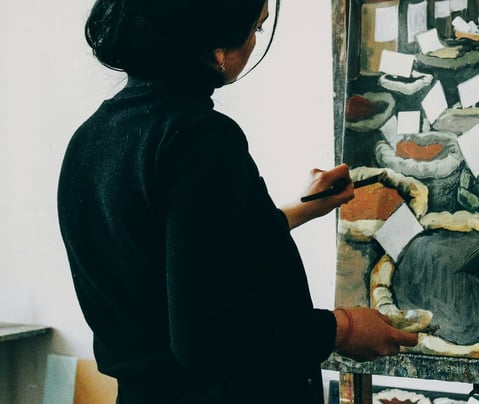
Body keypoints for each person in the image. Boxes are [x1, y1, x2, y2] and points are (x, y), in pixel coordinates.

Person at [56, 0, 419, 402]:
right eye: (255, 29)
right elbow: (208, 341)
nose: (253, 42)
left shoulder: (90, 139)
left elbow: (188, 254)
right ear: (217, 47)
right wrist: (342, 329)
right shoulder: (199, 138)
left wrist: (301, 208)